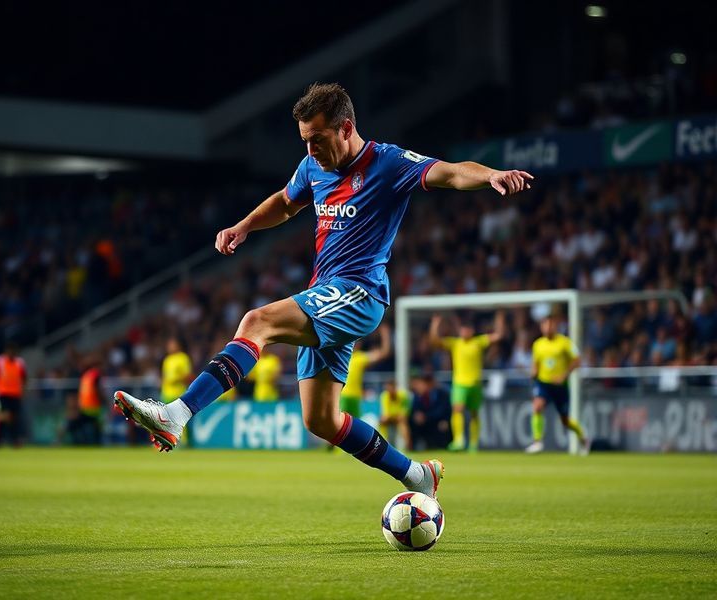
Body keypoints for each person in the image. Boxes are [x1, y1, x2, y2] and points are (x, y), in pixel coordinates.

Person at [115, 82, 533, 499]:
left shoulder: (388, 163)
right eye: (305, 141)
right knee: (321, 421)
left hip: (360, 292)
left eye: (317, 139)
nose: (310, 150)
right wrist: (244, 226)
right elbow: (285, 202)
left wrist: (492, 174)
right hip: (326, 294)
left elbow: (451, 171)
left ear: (345, 128)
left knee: (257, 321)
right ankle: (417, 476)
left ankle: (178, 412)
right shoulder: (312, 166)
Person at [428, 311, 505, 452]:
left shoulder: (478, 342)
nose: (465, 332)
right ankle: (459, 441)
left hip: (475, 383)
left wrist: (500, 317)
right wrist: (435, 323)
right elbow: (435, 341)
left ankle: (473, 444)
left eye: (468, 329)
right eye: (463, 329)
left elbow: (498, 336)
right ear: (460, 330)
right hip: (460, 384)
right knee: (458, 409)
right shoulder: (455, 343)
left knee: (474, 413)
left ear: (472, 331)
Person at [526, 313, 590, 454]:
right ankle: (537, 442)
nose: (548, 327)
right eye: (545, 324)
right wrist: (533, 373)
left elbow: (577, 360)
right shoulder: (538, 345)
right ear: (541, 327)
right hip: (543, 383)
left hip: (560, 386)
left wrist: (564, 375)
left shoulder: (565, 342)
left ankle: (583, 437)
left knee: (565, 421)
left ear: (555, 326)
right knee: (537, 406)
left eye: (551, 324)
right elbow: (536, 364)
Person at [341, 323, 391, 419]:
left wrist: (385, 335)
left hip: (355, 397)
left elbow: (384, 352)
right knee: (340, 426)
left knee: (353, 427)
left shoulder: (360, 357)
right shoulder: (343, 355)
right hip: (342, 395)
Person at [0, 341, 27, 447]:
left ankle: (15, 440)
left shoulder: (20, 363)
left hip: (15, 394)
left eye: (13, 351)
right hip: (2, 394)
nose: (11, 353)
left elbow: (24, 379)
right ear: (6, 351)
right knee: (2, 417)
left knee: (14, 419)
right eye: (10, 351)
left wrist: (23, 391)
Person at [408, 372, 451, 451]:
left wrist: (426, 416)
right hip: (423, 423)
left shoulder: (441, 393)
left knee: (443, 425)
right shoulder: (417, 396)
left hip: (437, 421)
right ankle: (414, 447)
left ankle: (442, 447)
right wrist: (416, 416)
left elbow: (442, 410)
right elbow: (413, 410)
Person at [77, 355, 105, 445]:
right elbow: (97, 389)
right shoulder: (96, 374)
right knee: (96, 429)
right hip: (93, 406)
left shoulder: (86, 375)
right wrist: (105, 400)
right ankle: (96, 444)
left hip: (84, 405)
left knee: (86, 428)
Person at [379, 379, 411, 450]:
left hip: (398, 418)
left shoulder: (403, 395)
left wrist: (400, 415)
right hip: (390, 417)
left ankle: (408, 446)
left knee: (403, 422)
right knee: (383, 420)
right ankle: (383, 444)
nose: (390, 390)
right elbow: (386, 413)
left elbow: (405, 411)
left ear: (395, 387)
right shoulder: (384, 396)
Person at [160, 337, 193, 404]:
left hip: (178, 394)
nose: (170, 347)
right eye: (169, 345)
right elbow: (164, 376)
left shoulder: (183, 357)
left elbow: (188, 376)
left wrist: (176, 379)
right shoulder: (167, 359)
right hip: (166, 394)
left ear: (178, 345)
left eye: (172, 345)